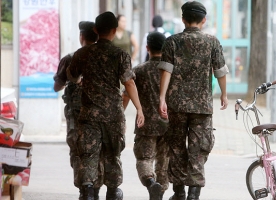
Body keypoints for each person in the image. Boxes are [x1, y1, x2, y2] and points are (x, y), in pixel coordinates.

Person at [66, 11, 145, 200]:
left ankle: (88, 192)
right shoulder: (120, 55)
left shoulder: (83, 53)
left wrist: (79, 81)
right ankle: (112, 193)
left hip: (89, 115)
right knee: (112, 154)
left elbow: (71, 75)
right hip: (113, 115)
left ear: (95, 29)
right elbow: (129, 83)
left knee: (88, 155)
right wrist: (139, 108)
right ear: (114, 30)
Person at [158, 1, 229, 200]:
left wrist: (162, 98)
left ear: (183, 19)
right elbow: (220, 71)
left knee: (177, 147)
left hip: (176, 105)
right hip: (202, 107)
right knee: (198, 150)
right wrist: (224, 94)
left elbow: (166, 72)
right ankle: (193, 194)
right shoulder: (212, 42)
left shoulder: (171, 42)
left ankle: (179, 192)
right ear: (204, 20)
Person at [53, 21, 99, 200]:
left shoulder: (70, 58)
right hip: (98, 113)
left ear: (81, 37)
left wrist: (68, 80)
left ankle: (84, 189)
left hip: (75, 114)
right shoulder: (104, 57)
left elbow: (57, 86)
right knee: (96, 150)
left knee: (78, 151)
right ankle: (94, 188)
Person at [122, 32, 169, 200]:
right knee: (164, 164)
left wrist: (121, 117)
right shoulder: (170, 71)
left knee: (144, 159)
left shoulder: (138, 71)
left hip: (145, 124)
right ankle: (159, 193)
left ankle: (151, 183)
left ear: (147, 48)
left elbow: (126, 95)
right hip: (167, 124)